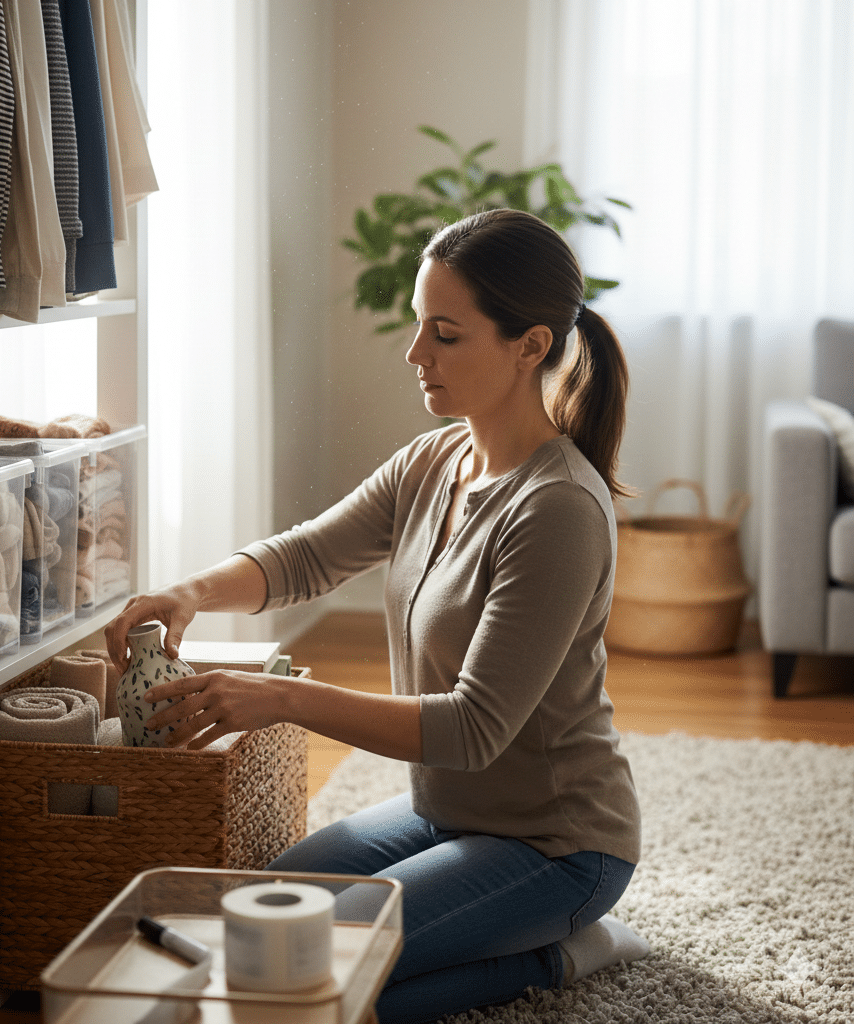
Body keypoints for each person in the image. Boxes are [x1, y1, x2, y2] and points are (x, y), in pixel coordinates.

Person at [106, 208, 649, 1024]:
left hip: (558, 844)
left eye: (445, 334)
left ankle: (563, 950)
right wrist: (192, 592)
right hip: (447, 811)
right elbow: (305, 557)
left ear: (529, 345)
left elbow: (472, 730)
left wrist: (281, 699)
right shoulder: (437, 458)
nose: (415, 354)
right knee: (254, 915)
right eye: (416, 326)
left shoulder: (558, 510)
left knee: (302, 981)